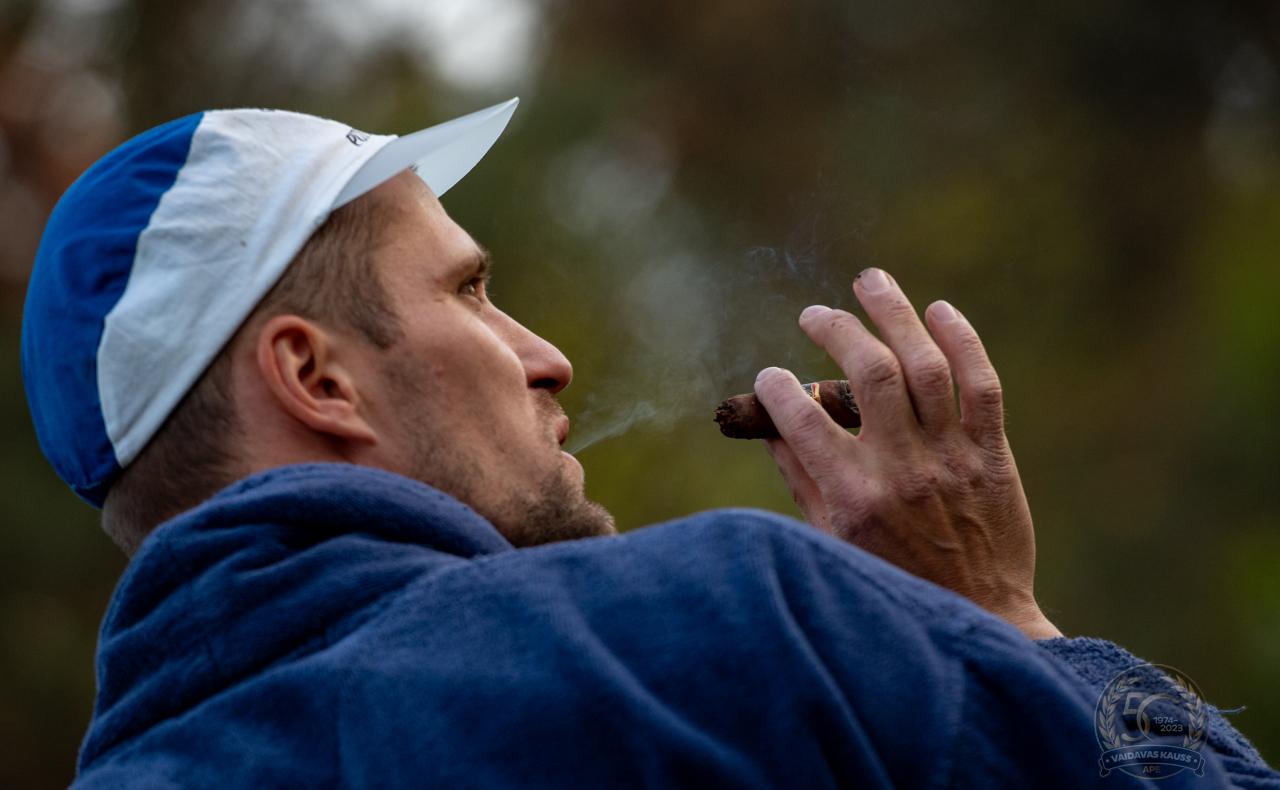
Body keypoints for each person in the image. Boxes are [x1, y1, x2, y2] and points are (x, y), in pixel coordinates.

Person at [21, 100, 1277, 788]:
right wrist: (1001, 615)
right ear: (315, 376)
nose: (544, 354)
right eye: (467, 290)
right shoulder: (729, 627)